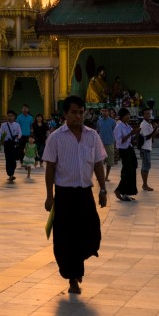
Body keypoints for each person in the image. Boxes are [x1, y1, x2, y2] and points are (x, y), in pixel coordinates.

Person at [43, 95, 108, 295]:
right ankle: (72, 277)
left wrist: (103, 189)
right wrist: (49, 196)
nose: (78, 116)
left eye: (81, 112)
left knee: (91, 234)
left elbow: (98, 163)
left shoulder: (92, 136)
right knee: (65, 238)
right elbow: (50, 168)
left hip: (85, 193)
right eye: (74, 112)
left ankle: (77, 265)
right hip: (65, 195)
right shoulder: (56, 137)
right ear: (65, 114)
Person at [113, 108, 138, 202]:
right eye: (126, 115)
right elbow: (120, 141)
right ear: (121, 116)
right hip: (123, 150)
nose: (128, 116)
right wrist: (130, 134)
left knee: (133, 167)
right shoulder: (118, 127)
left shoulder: (127, 125)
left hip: (129, 148)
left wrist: (136, 132)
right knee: (129, 170)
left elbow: (133, 137)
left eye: (129, 115)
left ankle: (126, 192)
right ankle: (118, 190)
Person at [138, 109, 159, 191]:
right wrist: (155, 129)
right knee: (146, 166)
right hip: (145, 148)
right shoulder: (144, 124)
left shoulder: (149, 124)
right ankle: (145, 185)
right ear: (143, 115)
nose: (148, 115)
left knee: (145, 165)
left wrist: (155, 129)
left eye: (149, 114)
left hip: (147, 147)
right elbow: (147, 136)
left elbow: (152, 136)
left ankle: (145, 184)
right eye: (146, 114)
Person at [0, 111, 22, 182]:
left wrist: (18, 137)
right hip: (7, 143)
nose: (9, 117)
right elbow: (0, 133)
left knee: (13, 159)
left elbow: (20, 132)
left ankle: (12, 172)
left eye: (11, 116)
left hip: (14, 143)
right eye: (8, 116)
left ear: (14, 117)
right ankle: (10, 174)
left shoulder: (17, 125)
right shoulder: (4, 125)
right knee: (8, 158)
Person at [96, 108, 116, 182]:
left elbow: (114, 131)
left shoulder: (113, 122)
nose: (104, 112)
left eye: (106, 111)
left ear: (109, 112)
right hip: (100, 144)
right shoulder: (99, 122)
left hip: (109, 143)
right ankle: (100, 176)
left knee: (109, 162)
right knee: (100, 162)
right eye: (103, 111)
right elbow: (97, 131)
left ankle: (106, 176)